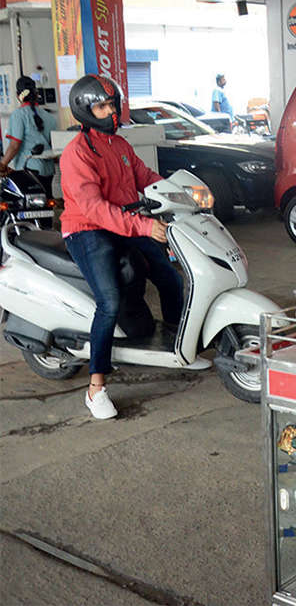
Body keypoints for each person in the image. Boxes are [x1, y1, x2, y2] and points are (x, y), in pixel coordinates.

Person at [60, 75, 185, 420]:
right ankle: (96, 386)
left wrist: (184, 194)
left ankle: (177, 342)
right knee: (109, 300)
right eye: (102, 106)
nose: (111, 112)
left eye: (113, 105)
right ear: (85, 111)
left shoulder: (121, 145)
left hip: (124, 222)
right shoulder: (76, 154)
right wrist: (145, 225)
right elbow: (95, 209)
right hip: (88, 230)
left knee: (170, 277)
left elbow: (146, 178)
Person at [1, 76, 58, 196]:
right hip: (47, 171)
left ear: (18, 96)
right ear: (36, 94)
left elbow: (15, 145)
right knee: (46, 204)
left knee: (29, 206)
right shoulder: (49, 117)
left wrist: (3, 164)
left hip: (28, 170)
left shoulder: (18, 115)